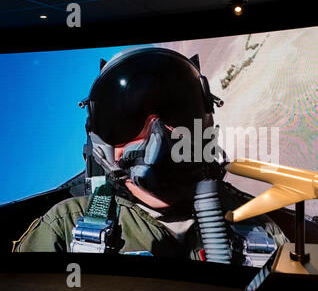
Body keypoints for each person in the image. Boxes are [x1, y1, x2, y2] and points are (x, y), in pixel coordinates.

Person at [13, 47, 288, 267]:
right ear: (101, 147)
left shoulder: (256, 222)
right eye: (126, 121)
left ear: (204, 128)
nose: (158, 133)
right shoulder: (67, 226)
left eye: (178, 114)